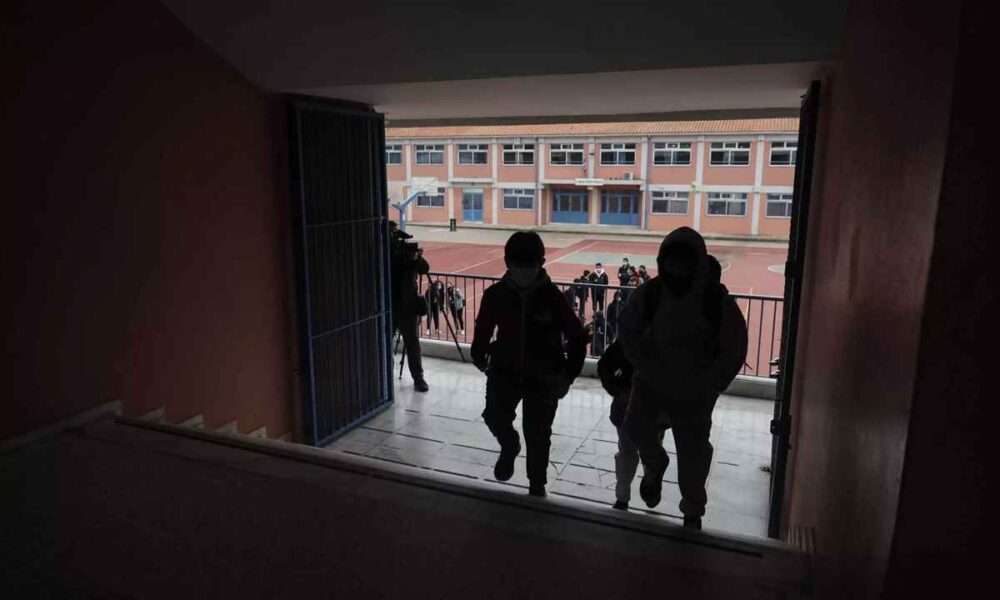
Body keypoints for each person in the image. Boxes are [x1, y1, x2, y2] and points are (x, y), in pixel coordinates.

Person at [618, 227, 748, 530]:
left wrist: (711, 384)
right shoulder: (650, 294)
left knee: (693, 453)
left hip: (694, 392)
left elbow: (734, 346)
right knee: (635, 428)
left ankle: (692, 509)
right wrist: (644, 366)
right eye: (671, 261)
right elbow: (628, 331)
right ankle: (655, 464)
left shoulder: (714, 301)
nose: (676, 268)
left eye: (683, 261)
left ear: (697, 263)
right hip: (652, 383)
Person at [472, 231, 587, 498]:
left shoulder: (553, 298)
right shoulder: (495, 295)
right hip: (504, 371)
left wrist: (567, 375)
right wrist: (479, 355)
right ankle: (509, 444)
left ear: (541, 263)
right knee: (494, 416)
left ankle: (537, 484)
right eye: (518, 265)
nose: (524, 271)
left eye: (530, 265)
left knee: (538, 433)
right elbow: (483, 329)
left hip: (544, 376)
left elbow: (577, 337)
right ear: (507, 263)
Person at [597, 338, 665, 511]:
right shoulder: (664, 335)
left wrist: (617, 390)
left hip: (627, 404)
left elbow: (604, 365)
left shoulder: (631, 335)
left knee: (627, 451)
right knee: (650, 448)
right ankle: (651, 485)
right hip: (654, 406)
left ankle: (622, 497)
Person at [389, 221, 430, 392]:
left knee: (412, 343)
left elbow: (425, 268)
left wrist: (417, 258)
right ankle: (386, 377)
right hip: (389, 306)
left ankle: (418, 378)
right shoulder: (385, 254)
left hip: (407, 307)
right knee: (385, 343)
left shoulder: (408, 254)